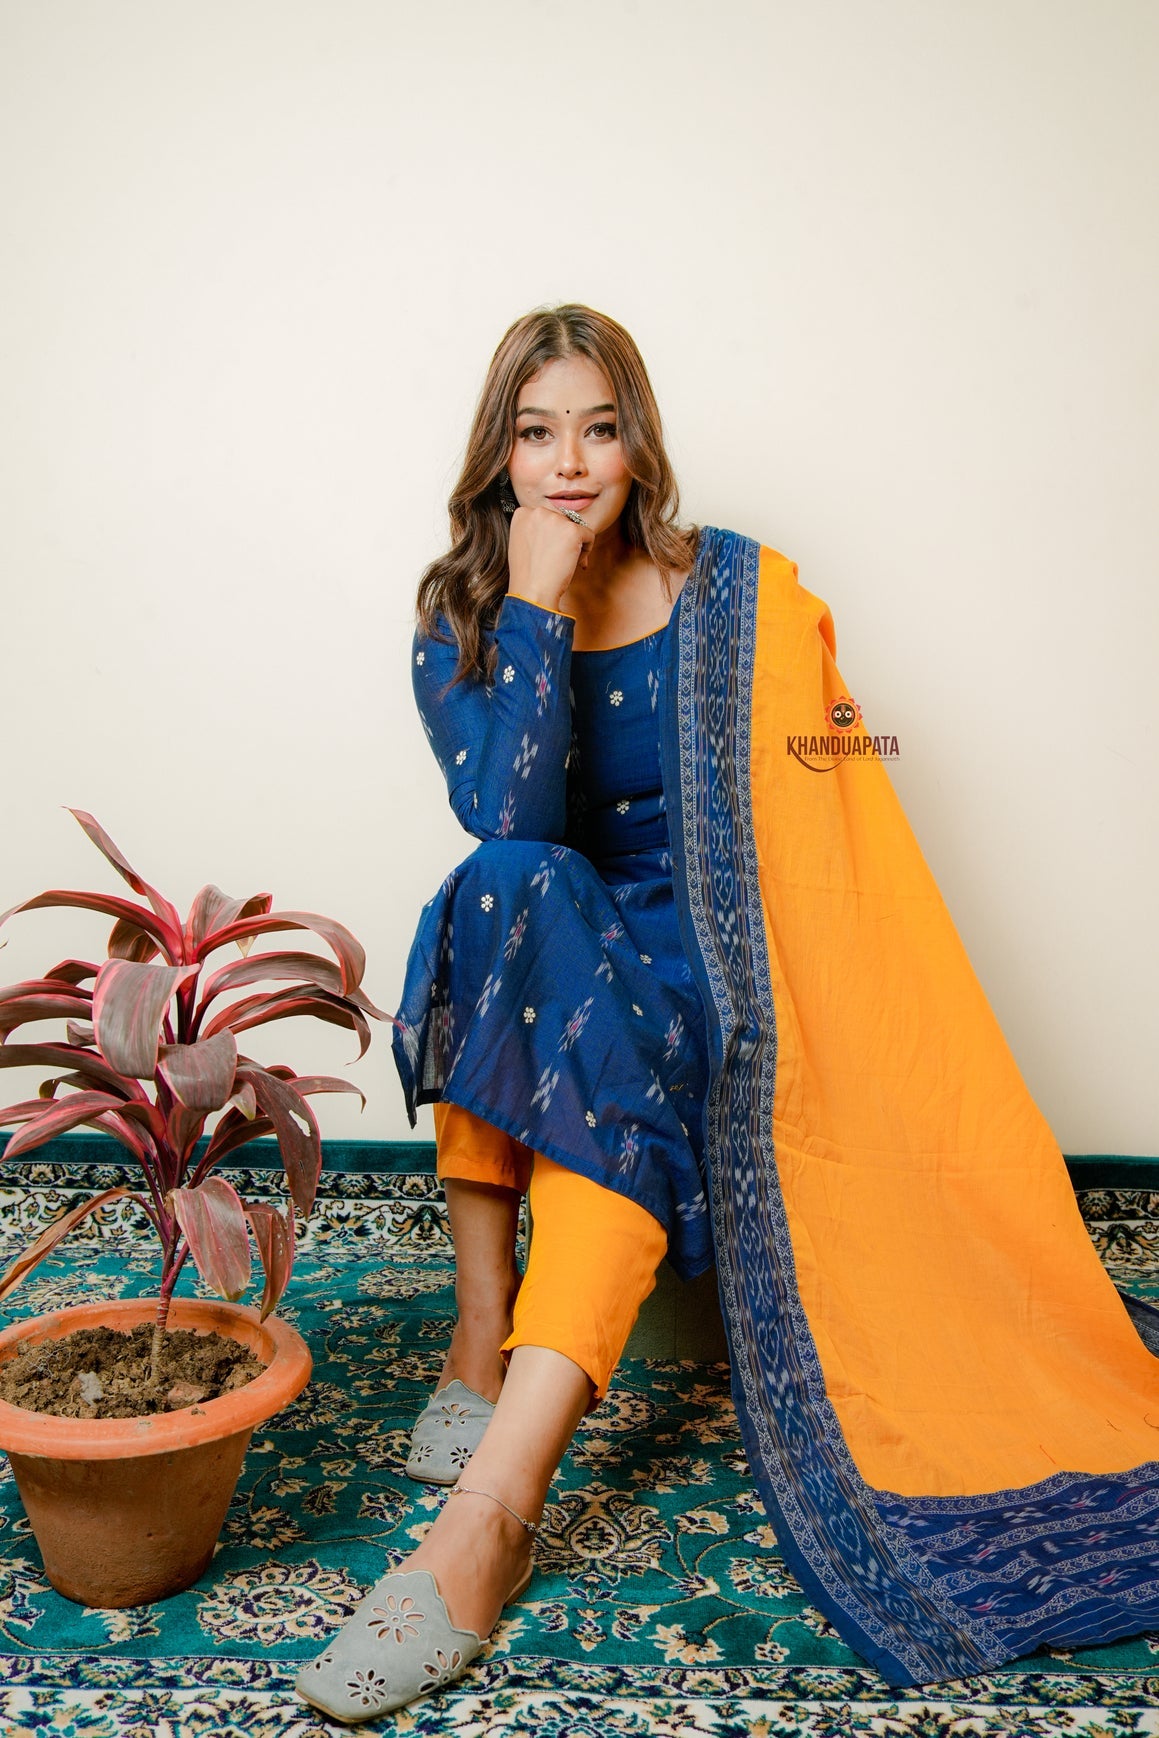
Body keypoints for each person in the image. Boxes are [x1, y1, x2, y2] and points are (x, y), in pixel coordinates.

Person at [296, 305, 1159, 1721]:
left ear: (641, 439)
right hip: (567, 957)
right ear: (497, 452)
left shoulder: (732, 594)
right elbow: (511, 816)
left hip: (723, 973)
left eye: (601, 425)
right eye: (536, 431)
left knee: (546, 958)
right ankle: (478, 1340)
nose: (572, 463)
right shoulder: (457, 619)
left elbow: (833, 792)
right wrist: (534, 604)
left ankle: (491, 1498)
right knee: (504, 886)